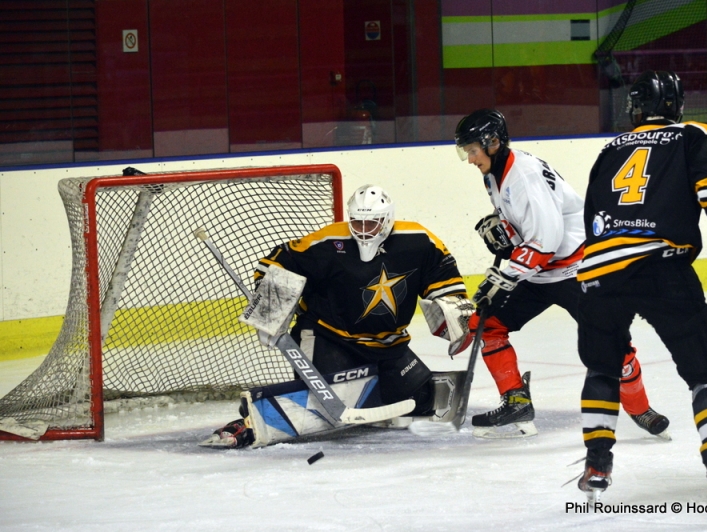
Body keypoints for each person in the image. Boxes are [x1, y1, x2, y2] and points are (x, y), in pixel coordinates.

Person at [574, 70, 707, 512]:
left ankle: (597, 464)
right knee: (706, 376)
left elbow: (592, 219)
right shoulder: (691, 136)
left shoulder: (608, 150)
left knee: (602, 371)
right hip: (662, 268)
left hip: (598, 273)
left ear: (636, 108)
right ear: (677, 105)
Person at [454, 108, 669, 439]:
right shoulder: (494, 174)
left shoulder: (523, 176)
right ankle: (516, 400)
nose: (469, 158)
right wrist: (506, 236)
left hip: (575, 272)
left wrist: (507, 274)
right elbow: (528, 231)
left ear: (493, 142)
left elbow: (547, 241)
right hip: (539, 275)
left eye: (472, 150)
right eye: (465, 151)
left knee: (612, 344)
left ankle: (641, 410)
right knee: (491, 324)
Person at [203, 184, 473, 448]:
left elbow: (444, 278)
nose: (364, 231)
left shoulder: (418, 240)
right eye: (358, 223)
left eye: (372, 224)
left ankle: (372, 390)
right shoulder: (328, 242)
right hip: (328, 338)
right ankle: (247, 425)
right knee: (324, 407)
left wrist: (454, 314)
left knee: (424, 399)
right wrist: (271, 310)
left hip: (388, 345)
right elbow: (276, 262)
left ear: (388, 220)